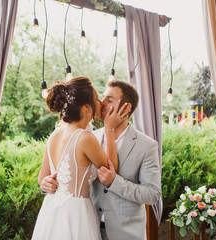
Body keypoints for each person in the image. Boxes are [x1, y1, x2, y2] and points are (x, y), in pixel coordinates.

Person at [43, 79, 162, 240]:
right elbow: (63, 173)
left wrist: (115, 182)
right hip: (84, 226)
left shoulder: (147, 146)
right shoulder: (88, 138)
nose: (101, 103)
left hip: (126, 234)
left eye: (109, 100)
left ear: (126, 108)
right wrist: (46, 184)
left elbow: (152, 194)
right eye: (102, 97)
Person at [32, 77, 128, 240]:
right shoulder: (84, 137)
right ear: (85, 107)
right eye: (96, 99)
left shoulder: (55, 134)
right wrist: (109, 129)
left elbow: (42, 178)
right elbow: (111, 169)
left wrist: (45, 183)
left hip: (51, 211)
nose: (100, 103)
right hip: (76, 213)